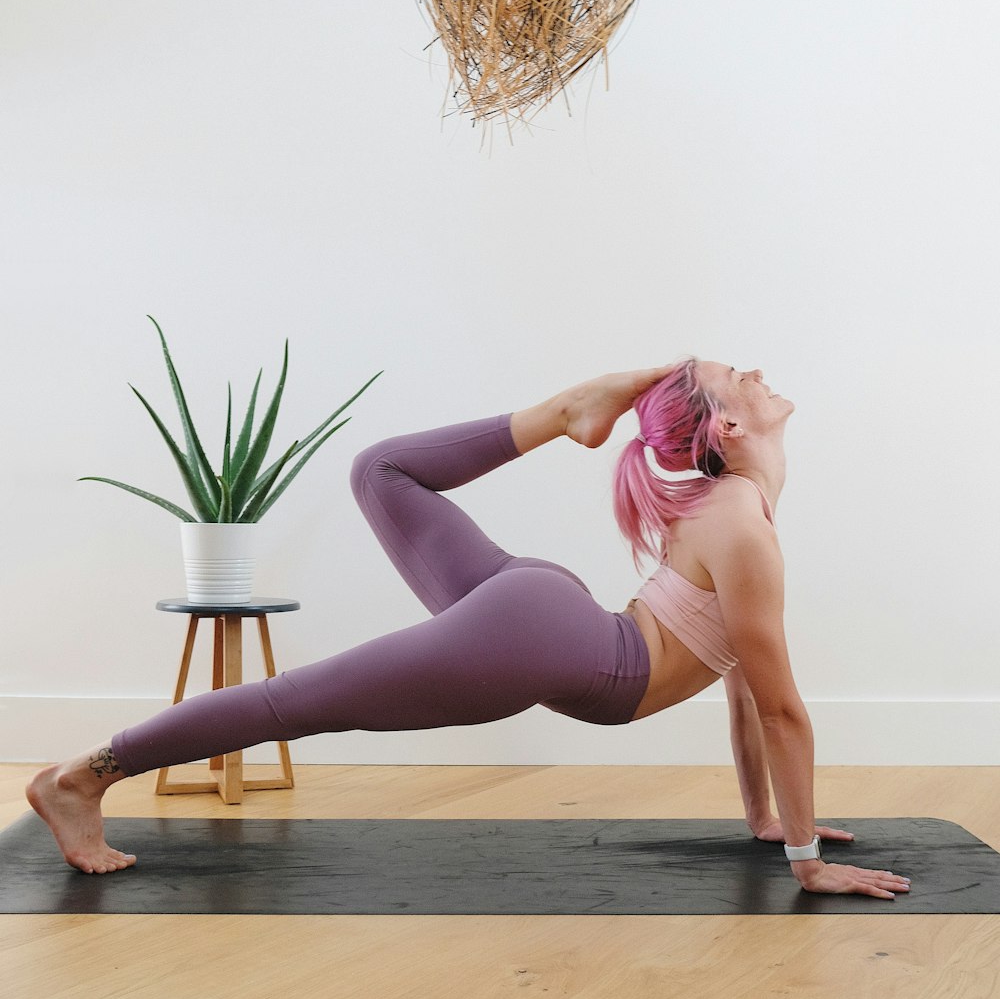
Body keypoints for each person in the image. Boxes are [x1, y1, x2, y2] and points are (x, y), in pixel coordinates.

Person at [26, 362, 911, 901]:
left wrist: (767, 817)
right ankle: (80, 777)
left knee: (382, 472)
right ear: (726, 426)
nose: (757, 372)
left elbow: (743, 683)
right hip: (551, 637)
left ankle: (568, 411)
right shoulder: (743, 523)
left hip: (548, 620)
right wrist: (805, 861)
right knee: (294, 702)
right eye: (737, 377)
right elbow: (783, 708)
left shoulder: (731, 509)